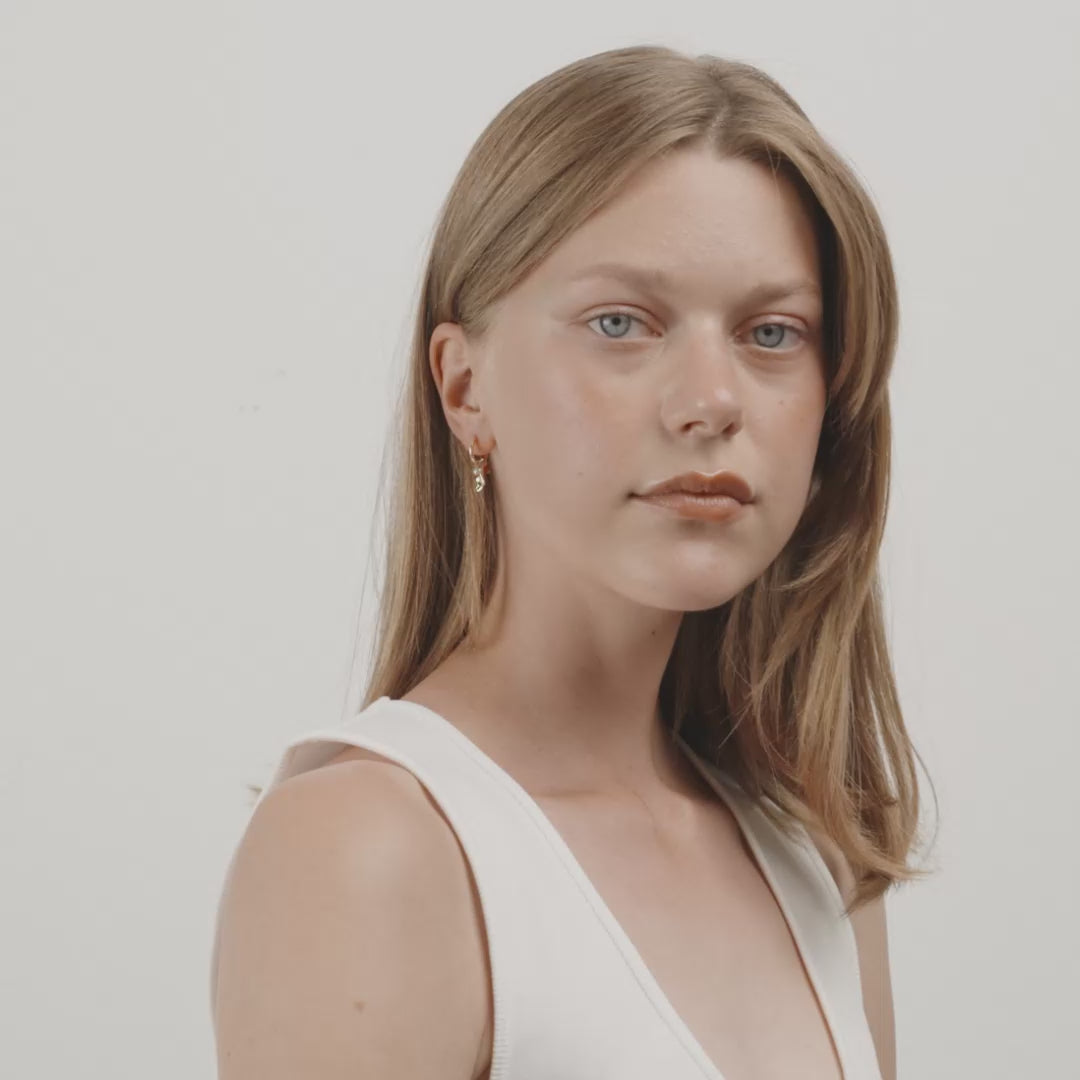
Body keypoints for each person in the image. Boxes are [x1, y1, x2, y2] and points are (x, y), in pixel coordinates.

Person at [210, 44, 931, 1080]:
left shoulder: (814, 855)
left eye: (772, 333)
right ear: (465, 389)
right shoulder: (371, 851)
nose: (711, 400)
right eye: (620, 323)